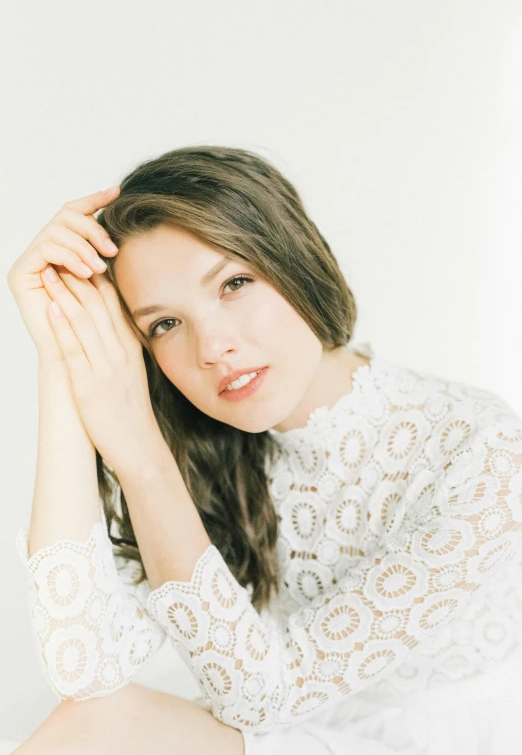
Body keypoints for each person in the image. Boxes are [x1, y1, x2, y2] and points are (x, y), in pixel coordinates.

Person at [7, 146, 522, 755]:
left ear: (297, 260)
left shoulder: (480, 447)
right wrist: (63, 358)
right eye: (164, 325)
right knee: (95, 726)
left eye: (235, 283)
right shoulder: (196, 442)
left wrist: (144, 463)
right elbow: (85, 669)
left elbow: (263, 695)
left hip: (452, 742)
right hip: (294, 731)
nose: (212, 346)